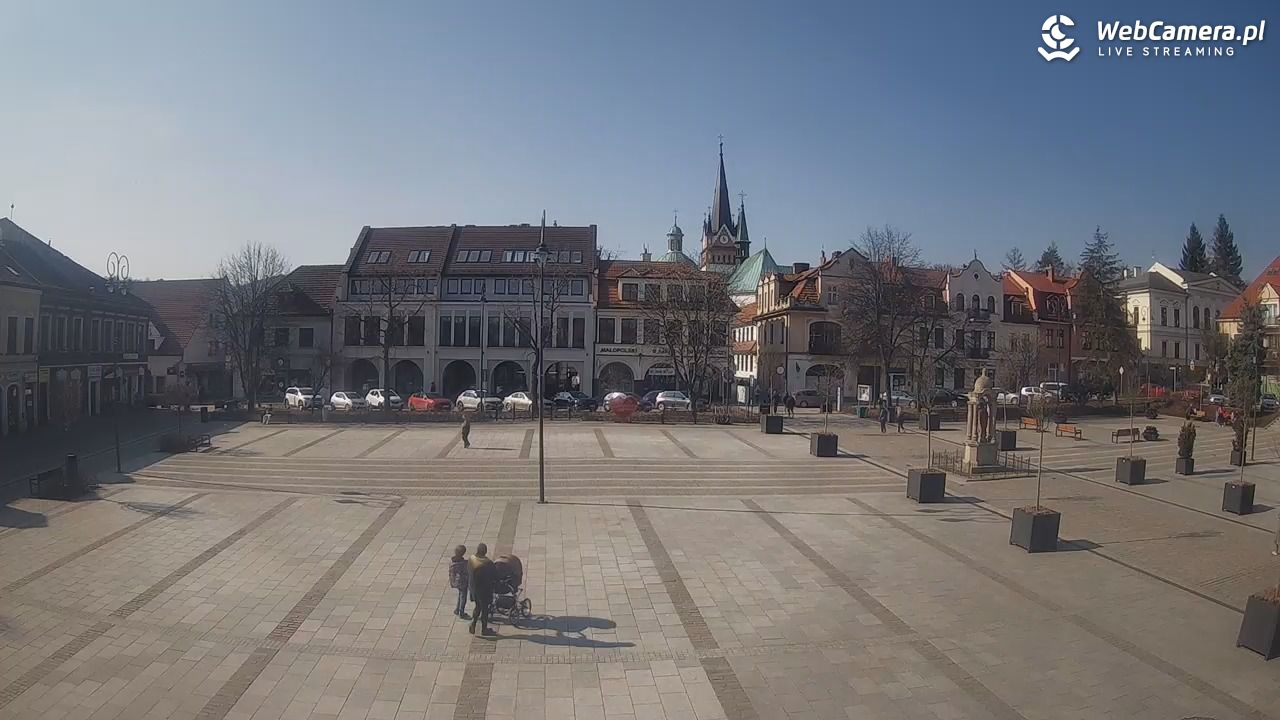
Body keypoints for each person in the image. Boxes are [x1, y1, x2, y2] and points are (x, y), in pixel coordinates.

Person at [468, 543, 497, 635]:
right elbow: (494, 575)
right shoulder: (488, 563)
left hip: (473, 588)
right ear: (485, 552)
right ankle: (484, 630)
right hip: (484, 590)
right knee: (485, 610)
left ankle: (473, 624)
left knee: (477, 606)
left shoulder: (471, 558)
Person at [449, 545, 470, 619]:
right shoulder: (463, 563)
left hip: (456, 581)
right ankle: (461, 612)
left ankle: (457, 609)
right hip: (462, 582)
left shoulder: (452, 562)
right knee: (463, 597)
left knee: (460, 594)